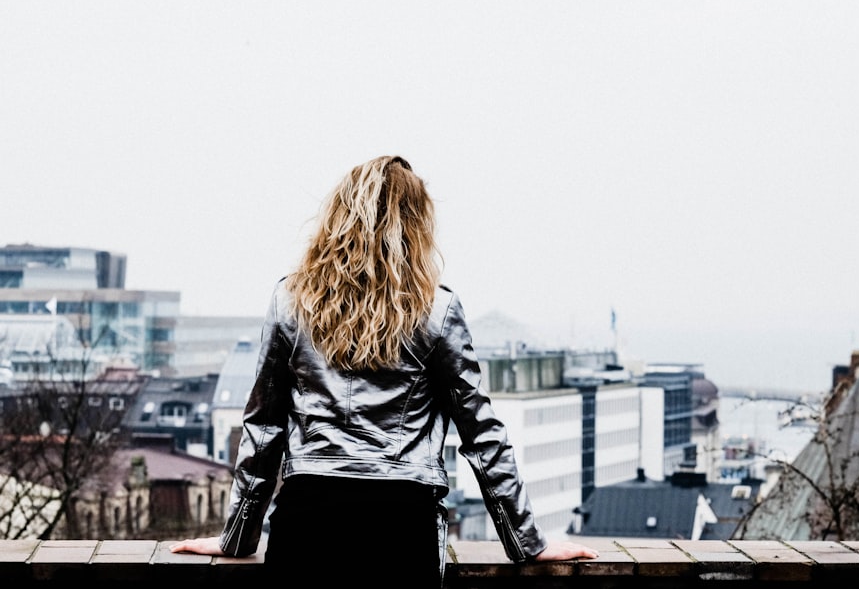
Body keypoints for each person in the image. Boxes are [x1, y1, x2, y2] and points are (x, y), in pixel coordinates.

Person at [170, 155, 598, 586]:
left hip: (307, 519)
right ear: (415, 224)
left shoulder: (290, 301)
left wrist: (237, 538)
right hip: (400, 524)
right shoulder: (437, 311)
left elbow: (264, 427)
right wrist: (527, 543)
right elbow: (480, 432)